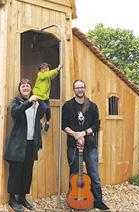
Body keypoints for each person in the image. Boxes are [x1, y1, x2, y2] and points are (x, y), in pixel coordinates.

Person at [61, 79, 110, 211]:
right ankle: (73, 201)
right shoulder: (68, 106)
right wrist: (75, 135)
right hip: (73, 145)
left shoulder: (92, 106)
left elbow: (96, 125)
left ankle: (98, 201)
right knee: (74, 175)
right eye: (77, 87)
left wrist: (83, 133)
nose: (80, 89)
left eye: (82, 87)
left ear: (85, 88)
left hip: (90, 146)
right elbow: (63, 125)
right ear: (74, 89)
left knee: (94, 175)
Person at [4, 78, 42, 212]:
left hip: (31, 143)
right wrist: (29, 102)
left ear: (31, 88)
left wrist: (39, 103)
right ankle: (12, 199)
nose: (25, 87)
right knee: (16, 172)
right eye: (23, 86)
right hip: (18, 144)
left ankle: (23, 198)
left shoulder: (36, 103)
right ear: (20, 90)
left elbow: (39, 119)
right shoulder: (16, 102)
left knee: (27, 172)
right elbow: (16, 112)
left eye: (27, 85)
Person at [33, 62, 63, 132]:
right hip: (39, 96)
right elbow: (48, 74)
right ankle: (37, 120)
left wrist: (57, 71)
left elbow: (53, 75)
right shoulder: (41, 75)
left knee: (48, 110)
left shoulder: (48, 76)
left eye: (47, 68)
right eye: (43, 68)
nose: (45, 69)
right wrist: (57, 69)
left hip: (45, 97)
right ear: (40, 70)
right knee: (44, 107)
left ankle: (47, 123)